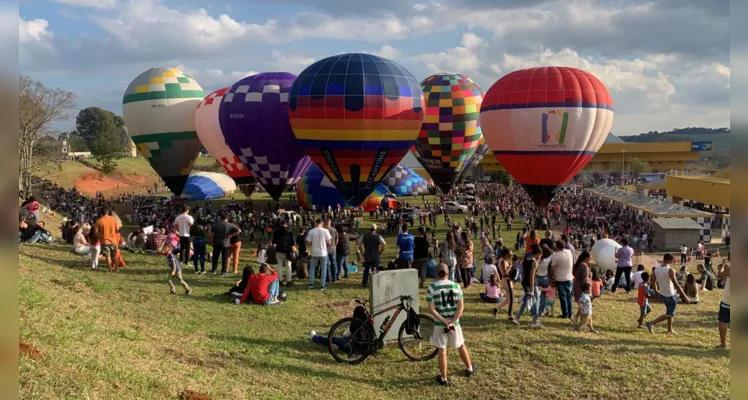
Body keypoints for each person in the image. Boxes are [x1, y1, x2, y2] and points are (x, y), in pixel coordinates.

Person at [426, 263, 477, 386]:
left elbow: (431, 309)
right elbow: (461, 307)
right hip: (455, 323)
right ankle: (469, 368)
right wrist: (452, 322)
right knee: (461, 345)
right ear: (448, 273)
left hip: (440, 323)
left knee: (442, 350)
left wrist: (444, 321)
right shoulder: (456, 286)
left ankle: (443, 378)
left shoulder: (432, 288)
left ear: (436, 274)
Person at [646, 254, 690, 334]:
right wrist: (685, 296)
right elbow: (676, 284)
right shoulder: (670, 270)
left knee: (669, 311)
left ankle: (670, 329)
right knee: (670, 313)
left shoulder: (656, 269)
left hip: (662, 293)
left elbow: (652, 280)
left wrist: (656, 292)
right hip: (670, 294)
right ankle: (651, 323)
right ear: (670, 260)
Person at [514, 245, 542, 327]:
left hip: (525, 282)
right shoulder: (534, 262)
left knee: (527, 299)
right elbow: (532, 276)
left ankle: (517, 317)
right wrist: (532, 289)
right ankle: (535, 320)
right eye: (540, 255)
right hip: (531, 283)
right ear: (538, 254)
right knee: (535, 300)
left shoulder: (526, 259)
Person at [550, 240, 574, 319]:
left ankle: (565, 313)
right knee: (569, 297)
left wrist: (552, 276)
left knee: (563, 297)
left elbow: (553, 268)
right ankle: (570, 313)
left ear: (557, 246)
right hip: (569, 277)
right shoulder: (569, 252)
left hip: (560, 278)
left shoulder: (556, 256)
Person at [306, 218, 332, 290]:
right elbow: (329, 242)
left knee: (312, 268)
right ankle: (323, 285)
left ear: (315, 223)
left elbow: (308, 243)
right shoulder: (325, 231)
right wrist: (325, 245)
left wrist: (312, 243)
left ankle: (311, 284)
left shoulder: (311, 231)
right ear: (322, 223)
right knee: (323, 268)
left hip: (314, 252)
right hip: (323, 252)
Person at [357, 223, 386, 288]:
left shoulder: (363, 236)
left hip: (367, 255)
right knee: (375, 270)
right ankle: (374, 283)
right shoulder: (378, 236)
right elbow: (384, 244)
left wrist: (362, 252)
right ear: (375, 229)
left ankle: (364, 283)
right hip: (375, 255)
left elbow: (359, 245)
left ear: (369, 228)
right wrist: (380, 251)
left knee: (366, 269)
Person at [272, 221, 296, 286]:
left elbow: (274, 241)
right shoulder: (290, 232)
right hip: (288, 252)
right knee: (288, 266)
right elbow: (292, 243)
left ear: (280, 224)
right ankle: (289, 281)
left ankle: (280, 281)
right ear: (286, 225)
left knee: (279, 266)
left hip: (279, 251)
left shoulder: (276, 231)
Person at [493, 248, 515, 319]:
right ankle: (510, 315)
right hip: (506, 280)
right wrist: (510, 266)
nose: (511, 256)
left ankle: (496, 309)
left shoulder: (502, 260)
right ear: (505, 254)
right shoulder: (502, 261)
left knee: (508, 298)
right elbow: (505, 272)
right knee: (511, 298)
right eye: (510, 255)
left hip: (506, 280)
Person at [716, 260, 730, 349]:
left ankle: (723, 344)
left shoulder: (731, 269)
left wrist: (723, 264)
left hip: (728, 300)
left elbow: (719, 275)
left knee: (723, 321)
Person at [324, 218, 339, 283]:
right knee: (333, 263)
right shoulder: (334, 229)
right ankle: (334, 278)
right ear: (330, 223)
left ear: (325, 222)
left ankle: (328, 278)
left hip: (325, 249)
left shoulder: (324, 230)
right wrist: (335, 245)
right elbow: (337, 239)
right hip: (333, 248)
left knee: (326, 264)